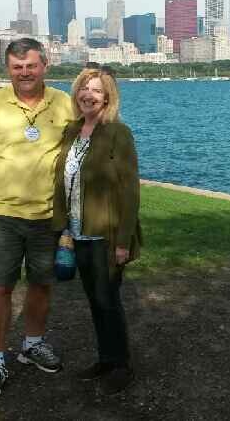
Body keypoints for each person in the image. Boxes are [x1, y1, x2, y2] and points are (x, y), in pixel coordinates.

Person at [0, 37, 75, 398]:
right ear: (8, 69)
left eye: (31, 66)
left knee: (41, 284)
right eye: (17, 67)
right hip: (2, 216)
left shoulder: (64, 103)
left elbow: (78, 151)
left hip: (48, 216)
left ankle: (32, 344)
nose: (24, 73)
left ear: (45, 66)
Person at [52, 67, 142, 395]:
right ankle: (105, 358)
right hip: (77, 232)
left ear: (107, 98)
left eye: (96, 90)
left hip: (107, 235)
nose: (88, 95)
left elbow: (129, 192)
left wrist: (123, 242)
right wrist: (60, 226)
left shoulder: (118, 133)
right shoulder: (72, 131)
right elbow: (62, 180)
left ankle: (121, 365)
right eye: (84, 88)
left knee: (108, 300)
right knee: (94, 299)